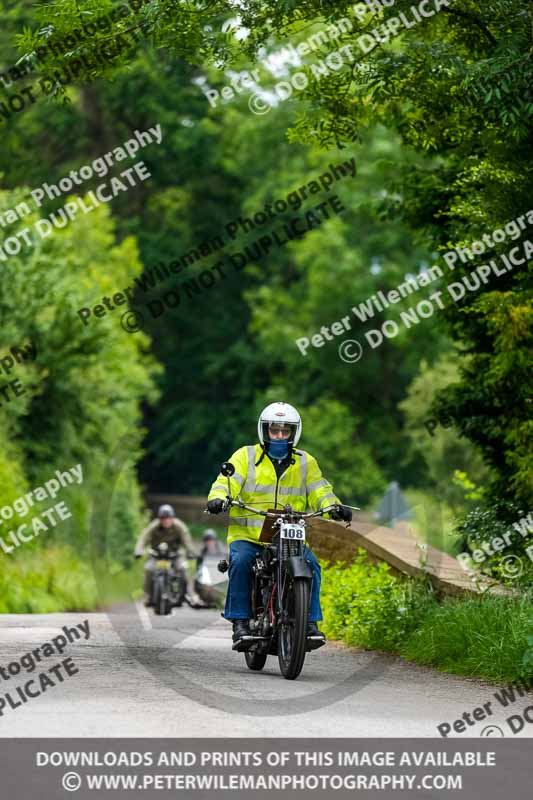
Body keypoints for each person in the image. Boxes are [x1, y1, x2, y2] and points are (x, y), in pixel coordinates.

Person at [206, 401, 352, 646]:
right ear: (265, 431)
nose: (280, 436)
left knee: (311, 564)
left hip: (288, 537)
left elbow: (320, 490)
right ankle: (240, 623)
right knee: (241, 563)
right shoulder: (245, 456)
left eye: (285, 431)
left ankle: (309, 623)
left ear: (294, 433)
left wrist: (333, 507)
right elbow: (227, 482)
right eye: (275, 430)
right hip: (249, 535)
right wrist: (218, 499)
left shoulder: (307, 462)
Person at [134, 504, 195, 606]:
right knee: (148, 569)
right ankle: (147, 596)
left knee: (183, 568)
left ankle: (188, 594)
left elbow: (186, 540)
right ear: (160, 519)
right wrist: (138, 550)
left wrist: (190, 551)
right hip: (156, 555)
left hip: (174, 555)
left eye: (168, 518)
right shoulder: (154, 526)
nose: (166, 521)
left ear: (172, 518)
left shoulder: (179, 527)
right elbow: (143, 538)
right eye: (163, 518)